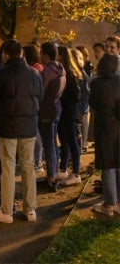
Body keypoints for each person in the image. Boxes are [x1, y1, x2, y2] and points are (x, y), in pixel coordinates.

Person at [0, 39, 43, 223]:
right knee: (28, 167)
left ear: (6, 54)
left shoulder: (1, 74)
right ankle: (30, 209)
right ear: (22, 54)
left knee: (8, 168)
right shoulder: (34, 73)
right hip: (28, 127)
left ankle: (7, 210)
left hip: (6, 127)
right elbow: (40, 97)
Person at [88, 53, 120, 216]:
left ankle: (109, 205)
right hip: (118, 125)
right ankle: (117, 202)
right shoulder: (119, 81)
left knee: (108, 166)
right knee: (118, 163)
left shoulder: (97, 83)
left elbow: (92, 103)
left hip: (105, 127)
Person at [39, 42, 67, 191]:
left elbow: (40, 91)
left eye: (40, 52)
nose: (38, 55)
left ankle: (51, 178)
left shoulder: (47, 71)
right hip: (56, 108)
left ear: (45, 54)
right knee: (53, 144)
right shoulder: (61, 69)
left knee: (49, 144)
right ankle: (54, 174)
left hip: (47, 111)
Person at [55, 46, 83, 186]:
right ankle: (63, 168)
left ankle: (76, 173)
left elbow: (75, 95)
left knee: (71, 140)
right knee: (64, 140)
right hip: (66, 110)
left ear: (61, 56)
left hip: (68, 111)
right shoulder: (66, 71)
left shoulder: (69, 73)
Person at [23, 44, 45, 173]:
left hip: (34, 105)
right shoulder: (35, 68)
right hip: (33, 104)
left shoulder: (35, 69)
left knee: (36, 135)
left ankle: (38, 162)